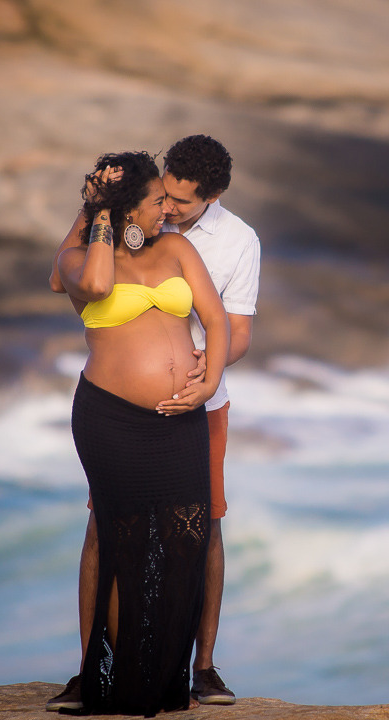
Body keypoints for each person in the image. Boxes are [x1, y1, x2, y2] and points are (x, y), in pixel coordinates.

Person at [47, 136, 260, 712]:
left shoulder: (216, 244)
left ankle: (187, 672)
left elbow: (225, 324)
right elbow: (85, 283)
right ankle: (103, 673)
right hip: (112, 419)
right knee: (117, 537)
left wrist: (209, 380)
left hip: (193, 415)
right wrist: (95, 211)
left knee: (192, 535)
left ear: (210, 196)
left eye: (179, 201)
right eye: (159, 198)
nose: (167, 208)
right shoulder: (88, 258)